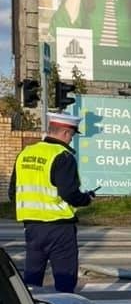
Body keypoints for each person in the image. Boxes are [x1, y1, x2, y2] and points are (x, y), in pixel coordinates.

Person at [8, 111, 96, 293]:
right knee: (65, 278)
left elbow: (12, 193)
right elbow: (68, 193)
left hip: (32, 227)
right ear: (65, 133)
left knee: (32, 277)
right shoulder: (63, 156)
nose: (71, 140)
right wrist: (86, 199)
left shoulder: (25, 153)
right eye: (71, 135)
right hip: (60, 228)